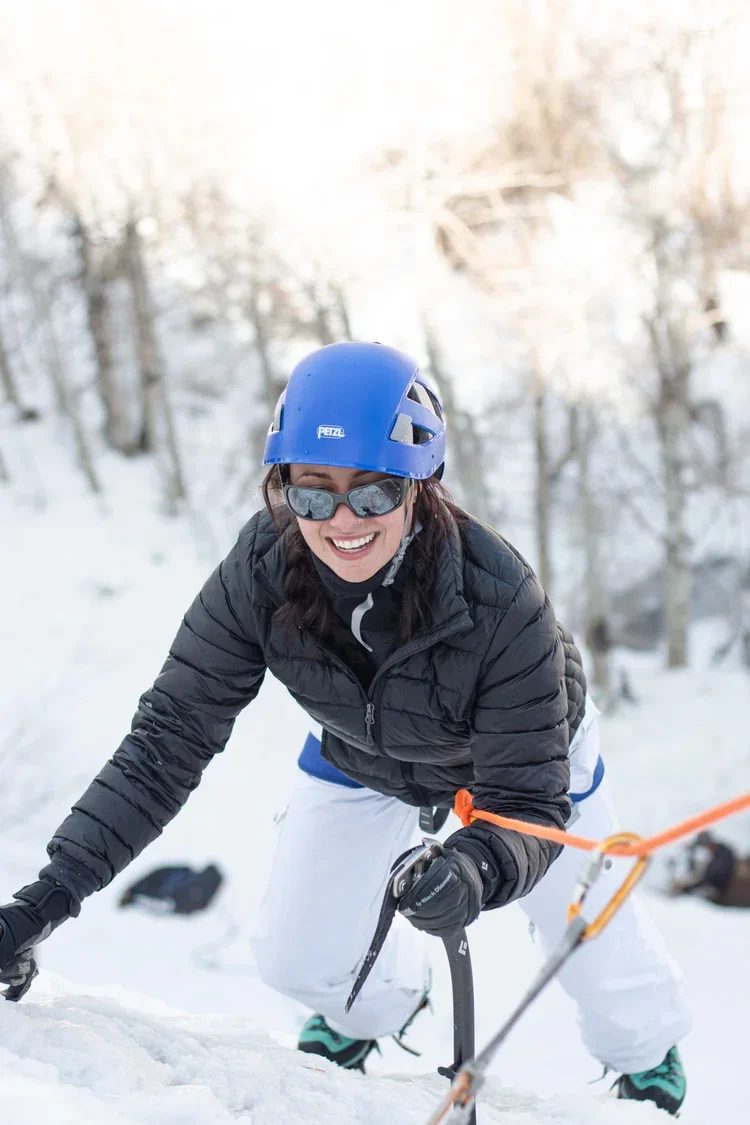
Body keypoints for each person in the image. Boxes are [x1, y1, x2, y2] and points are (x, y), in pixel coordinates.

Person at [0, 342, 690, 1114]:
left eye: (373, 491)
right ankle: (377, 1006)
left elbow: (528, 801)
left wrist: (476, 866)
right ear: (283, 487)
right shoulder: (260, 571)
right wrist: (49, 897)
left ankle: (645, 1049)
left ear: (420, 484)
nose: (341, 520)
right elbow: (166, 740)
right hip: (364, 752)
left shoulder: (502, 602)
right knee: (295, 956)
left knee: (589, 937)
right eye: (312, 492)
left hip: (529, 754)